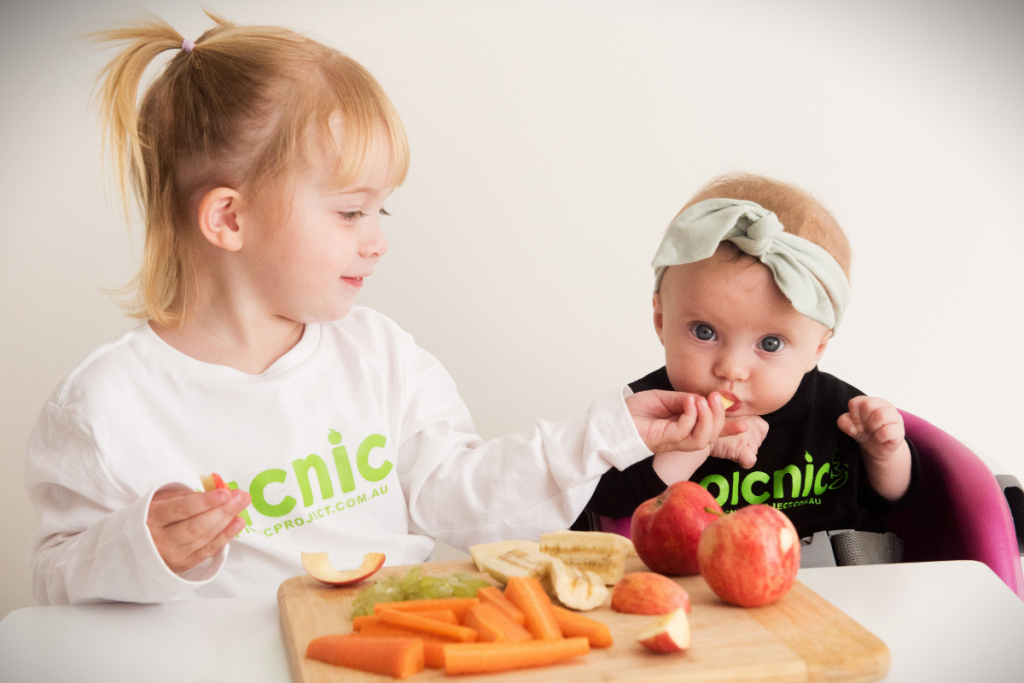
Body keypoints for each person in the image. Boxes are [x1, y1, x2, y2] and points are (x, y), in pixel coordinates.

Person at [23, 11, 736, 606]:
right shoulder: (105, 406)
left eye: (380, 208)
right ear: (230, 220)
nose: (377, 241)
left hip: (389, 644)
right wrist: (140, 546)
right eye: (350, 211)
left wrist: (606, 433)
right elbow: (55, 583)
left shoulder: (382, 356)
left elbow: (470, 500)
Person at [573, 174, 921, 544]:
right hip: (696, 588)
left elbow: (898, 500)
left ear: (817, 349)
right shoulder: (647, 412)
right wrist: (695, 444)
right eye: (704, 332)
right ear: (661, 321)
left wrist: (885, 454)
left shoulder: (840, 411)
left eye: (770, 343)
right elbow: (608, 503)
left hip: (837, 579)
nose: (731, 369)